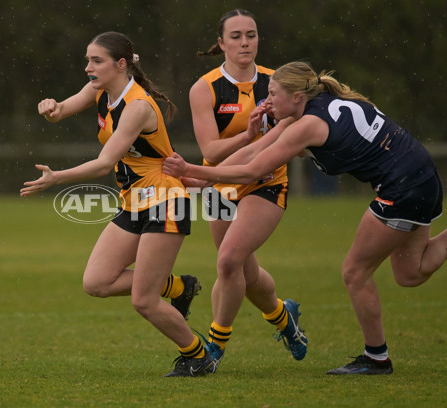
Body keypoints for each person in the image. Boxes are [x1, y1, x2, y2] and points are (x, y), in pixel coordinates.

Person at [163, 60, 447, 375]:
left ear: (297, 97)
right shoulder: (307, 112)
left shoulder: (308, 125)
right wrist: (200, 180)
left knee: (354, 272)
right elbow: (252, 154)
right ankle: (320, 335)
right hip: (423, 178)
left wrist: (189, 170)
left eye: (272, 94)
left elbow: (252, 171)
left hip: (403, 189)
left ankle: (376, 358)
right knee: (410, 273)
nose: (266, 101)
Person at [20, 31, 211, 377]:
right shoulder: (99, 90)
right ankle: (180, 287)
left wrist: (55, 179)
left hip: (167, 199)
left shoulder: (137, 106)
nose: (88, 68)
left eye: (96, 61)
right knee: (96, 282)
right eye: (87, 60)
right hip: (134, 200)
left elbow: (105, 163)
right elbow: (61, 110)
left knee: (143, 300)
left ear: (121, 64)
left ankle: (198, 355)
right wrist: (50, 108)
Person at [188, 9, 307, 373]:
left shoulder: (278, 82)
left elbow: (298, 142)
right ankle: (284, 319)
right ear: (221, 43)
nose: (245, 42)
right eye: (236, 36)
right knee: (246, 274)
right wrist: (248, 134)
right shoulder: (204, 87)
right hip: (218, 186)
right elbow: (210, 152)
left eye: (251, 35)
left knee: (227, 261)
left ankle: (215, 346)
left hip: (267, 184)